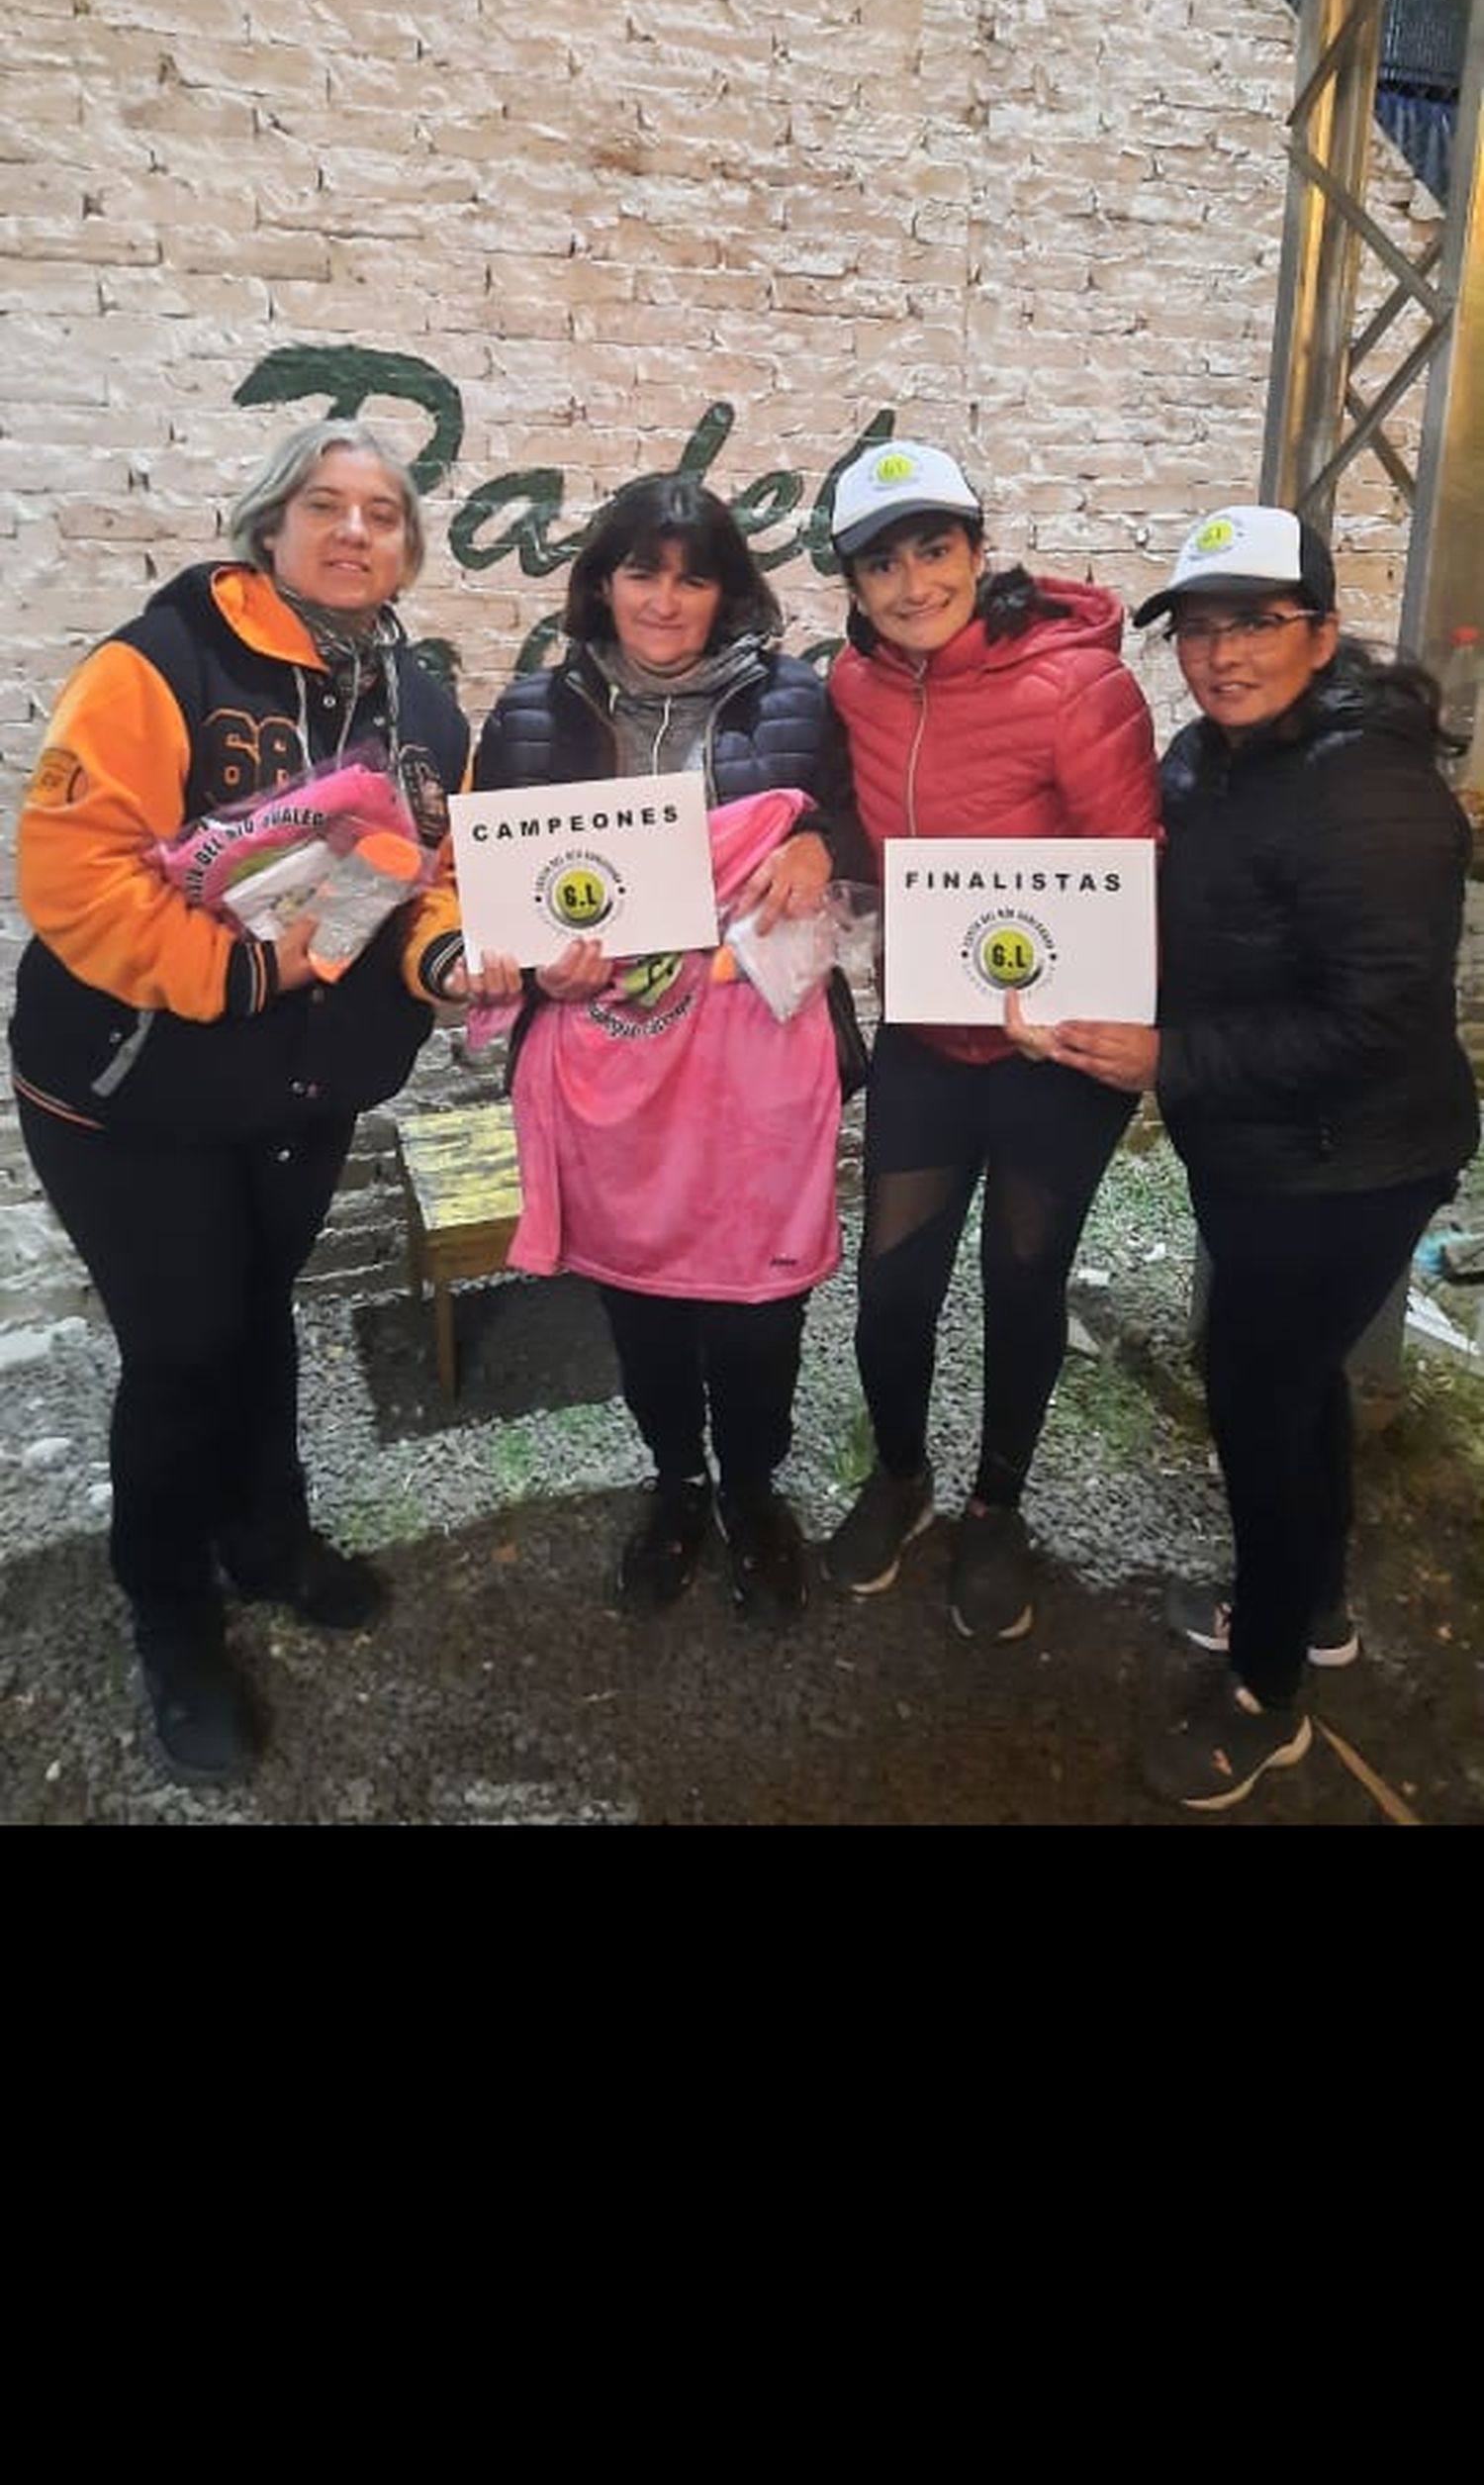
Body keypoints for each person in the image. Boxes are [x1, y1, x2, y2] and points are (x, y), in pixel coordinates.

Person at [9, 422, 473, 1788]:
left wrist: (442, 951)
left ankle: (267, 1540)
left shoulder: (422, 705)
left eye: (382, 513)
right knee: (185, 1346)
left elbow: (429, 871)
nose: (353, 531)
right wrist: (246, 966)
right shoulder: (158, 664)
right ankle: (169, 1607)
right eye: (323, 506)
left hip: (298, 1086)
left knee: (257, 1312)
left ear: (407, 548)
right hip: (131, 1087)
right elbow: (78, 872)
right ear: (268, 527)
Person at [1024, 501, 1480, 1812]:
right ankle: (1314, 1601)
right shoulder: (1213, 757)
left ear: (1325, 632)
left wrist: (1169, 1059)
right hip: (1261, 1151)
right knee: (1293, 1385)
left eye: (1257, 624)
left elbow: (1372, 1020)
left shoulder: (1375, 795)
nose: (1222, 654)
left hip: (1348, 1165)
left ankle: (1269, 1689)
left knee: (1260, 1401)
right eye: (1201, 628)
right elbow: (1148, 893)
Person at [469, 470, 860, 1627]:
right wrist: (536, 962)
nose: (666, 600)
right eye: (642, 571)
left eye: (694, 578)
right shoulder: (532, 717)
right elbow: (496, 895)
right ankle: (677, 1486)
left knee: (758, 1305)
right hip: (608, 1068)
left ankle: (753, 1490)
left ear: (728, 592)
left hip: (753, 1065)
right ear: (600, 582)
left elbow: (856, 822)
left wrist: (820, 845)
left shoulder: (793, 703)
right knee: (639, 1299)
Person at [817, 435, 1161, 1642]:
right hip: (927, 1041)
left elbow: (1136, 873)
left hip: (1049, 1058)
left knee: (1023, 1285)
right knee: (892, 1295)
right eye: (882, 565)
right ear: (851, 585)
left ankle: (997, 1506)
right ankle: (901, 1477)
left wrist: (1071, 993)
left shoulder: (1078, 684)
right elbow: (843, 834)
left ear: (975, 547)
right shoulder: (850, 687)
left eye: (935, 548)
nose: (914, 584)